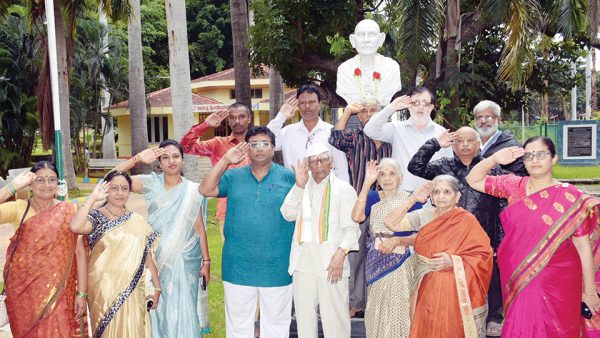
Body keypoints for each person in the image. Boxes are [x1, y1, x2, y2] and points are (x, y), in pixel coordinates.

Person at [466, 136, 600, 337]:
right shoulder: (513, 185)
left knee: (558, 328)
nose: (534, 160)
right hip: (519, 273)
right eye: (529, 155)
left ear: (554, 158)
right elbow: (473, 179)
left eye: (541, 154)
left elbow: (583, 247)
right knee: (521, 324)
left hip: (560, 278)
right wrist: (494, 159)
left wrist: (589, 291)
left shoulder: (572, 197)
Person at [199, 126, 296, 338]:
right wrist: (225, 160)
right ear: (247, 150)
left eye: (265, 144)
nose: (259, 149)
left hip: (277, 265)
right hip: (238, 266)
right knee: (238, 325)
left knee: (277, 325)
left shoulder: (290, 178)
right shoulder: (233, 176)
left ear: (273, 149)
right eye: (254, 144)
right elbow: (205, 189)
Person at [114, 139, 211, 337]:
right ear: (159, 162)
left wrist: (206, 261)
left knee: (185, 306)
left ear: (183, 159)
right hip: (157, 259)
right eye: (165, 157)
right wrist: (137, 159)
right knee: (158, 306)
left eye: (176, 156)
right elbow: (112, 181)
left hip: (186, 260)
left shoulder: (193, 190)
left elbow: (199, 227)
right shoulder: (151, 182)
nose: (171, 161)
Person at [385, 175, 493, 337]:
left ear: (457, 196)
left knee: (451, 327)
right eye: (436, 192)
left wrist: (453, 261)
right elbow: (390, 223)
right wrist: (413, 198)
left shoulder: (467, 221)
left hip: (456, 288)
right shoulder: (424, 215)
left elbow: (483, 254)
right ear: (432, 197)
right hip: (426, 283)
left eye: (447, 192)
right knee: (427, 325)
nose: (441, 196)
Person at [280, 143, 360, 338]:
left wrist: (341, 254)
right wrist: (299, 186)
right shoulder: (301, 186)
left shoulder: (344, 190)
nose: (318, 164)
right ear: (307, 164)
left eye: (323, 159)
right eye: (313, 160)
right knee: (305, 323)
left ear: (331, 163)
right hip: (303, 265)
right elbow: (287, 214)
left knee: (336, 323)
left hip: (331, 264)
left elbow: (352, 230)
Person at [0, 161, 87, 337]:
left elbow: (79, 253)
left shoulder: (69, 211)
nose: (46, 185)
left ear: (57, 183)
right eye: (39, 180)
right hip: (24, 296)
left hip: (60, 294)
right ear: (30, 184)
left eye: (52, 180)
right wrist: (12, 187)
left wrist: (82, 293)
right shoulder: (19, 208)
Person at [70, 171, 161, 337]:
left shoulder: (137, 220)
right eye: (114, 188)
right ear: (106, 190)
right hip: (103, 291)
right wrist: (92, 198)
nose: (120, 193)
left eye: (124, 188)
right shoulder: (96, 217)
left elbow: (147, 254)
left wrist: (156, 286)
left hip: (134, 290)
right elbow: (75, 227)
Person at [329, 96, 392, 317]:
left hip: (387, 206)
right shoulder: (355, 137)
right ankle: (356, 302)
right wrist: (347, 112)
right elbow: (335, 138)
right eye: (363, 112)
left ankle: (379, 302)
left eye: (373, 111)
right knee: (355, 255)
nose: (368, 115)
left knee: (383, 254)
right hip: (360, 204)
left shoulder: (391, 138)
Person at [352, 159, 416, 337]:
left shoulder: (411, 200)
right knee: (375, 307)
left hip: (402, 262)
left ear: (401, 177)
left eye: (392, 173)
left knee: (399, 307)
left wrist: (398, 242)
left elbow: (422, 236)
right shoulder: (372, 198)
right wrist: (366, 183)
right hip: (376, 260)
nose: (387, 178)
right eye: (382, 174)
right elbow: (357, 217)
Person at [181, 103, 252, 240]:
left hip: (257, 209)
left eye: (242, 117)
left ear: (249, 118)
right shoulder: (217, 144)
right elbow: (185, 147)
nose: (237, 121)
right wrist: (205, 124)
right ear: (229, 121)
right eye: (232, 117)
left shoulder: (257, 144)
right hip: (228, 212)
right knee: (230, 257)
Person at [363, 87, 452, 192]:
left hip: (431, 198)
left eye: (425, 103)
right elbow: (369, 130)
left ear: (431, 107)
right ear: (409, 105)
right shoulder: (396, 128)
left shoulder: (441, 133)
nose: (420, 107)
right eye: (415, 103)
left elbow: (448, 168)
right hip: (400, 196)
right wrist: (391, 107)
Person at [267, 84, 350, 182]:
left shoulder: (332, 132)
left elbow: (341, 168)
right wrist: (281, 116)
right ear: (298, 106)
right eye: (302, 103)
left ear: (319, 104)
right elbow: (267, 142)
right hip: (295, 189)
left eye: (311, 102)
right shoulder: (287, 132)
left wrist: (344, 194)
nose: (307, 106)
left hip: (326, 191)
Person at [336, 19, 401, 105]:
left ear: (381, 39)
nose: (366, 40)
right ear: (353, 40)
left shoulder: (391, 67)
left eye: (372, 35)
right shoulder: (344, 70)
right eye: (361, 35)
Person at [473, 100, 526, 176]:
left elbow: (520, 177)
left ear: (498, 120)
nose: (483, 121)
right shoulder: (468, 143)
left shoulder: (512, 146)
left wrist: (490, 167)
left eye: (488, 117)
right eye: (479, 117)